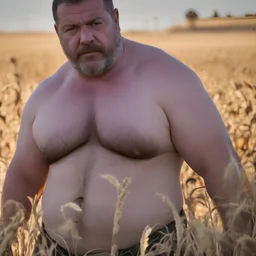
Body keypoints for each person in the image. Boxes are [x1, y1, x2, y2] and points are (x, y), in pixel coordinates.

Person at [0, 0, 248, 255]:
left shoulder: (169, 78)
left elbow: (221, 168)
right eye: (71, 29)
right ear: (57, 31)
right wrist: (4, 240)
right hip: (52, 249)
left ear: (115, 19)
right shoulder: (47, 95)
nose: (85, 38)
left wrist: (243, 244)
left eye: (95, 23)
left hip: (152, 249)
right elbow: (24, 178)